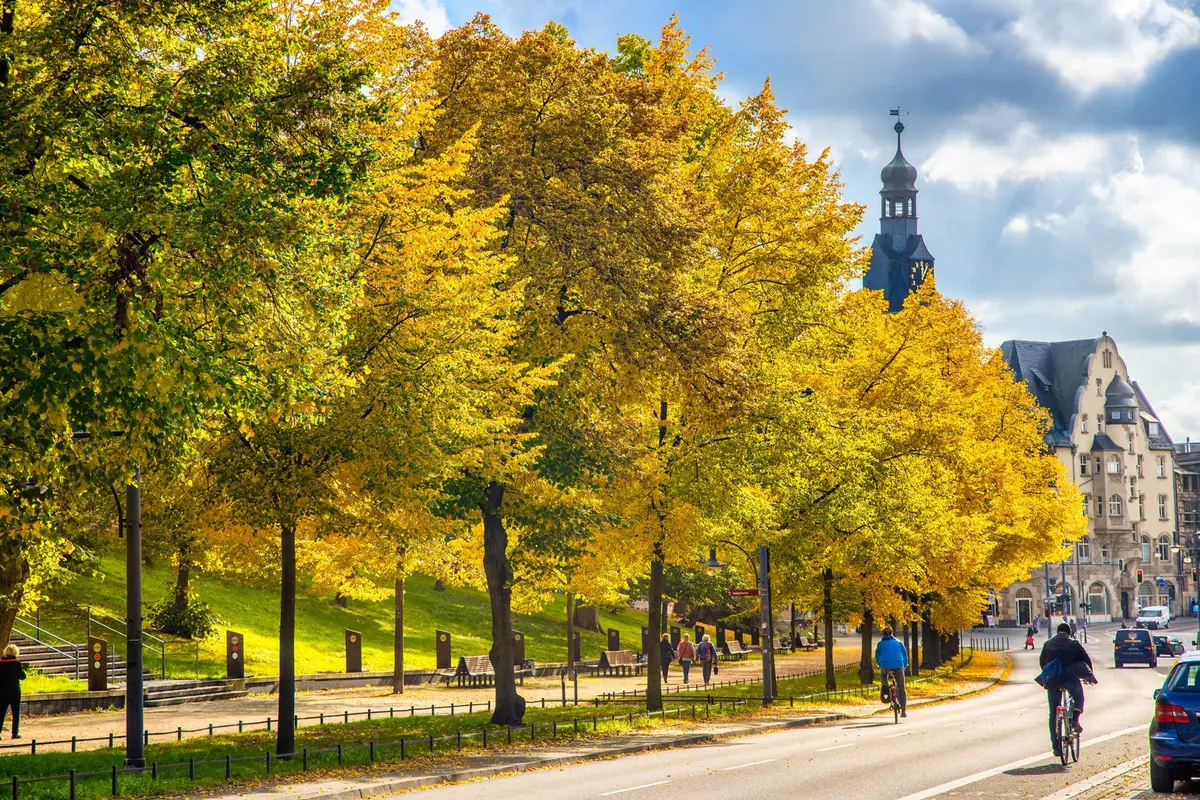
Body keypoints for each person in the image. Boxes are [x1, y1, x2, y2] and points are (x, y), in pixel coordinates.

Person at [1039, 622, 1096, 757]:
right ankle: (1074, 719)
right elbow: (1086, 660)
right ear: (1069, 633)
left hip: (1053, 680)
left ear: (1057, 632)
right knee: (1078, 697)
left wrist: (1050, 675)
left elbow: (1042, 662)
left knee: (1053, 713)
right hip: (1070, 678)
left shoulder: (1048, 644)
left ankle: (1056, 747)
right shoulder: (1074, 644)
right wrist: (1088, 676)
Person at [874, 626, 909, 717]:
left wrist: (879, 664)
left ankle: (886, 688)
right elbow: (904, 655)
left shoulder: (880, 643)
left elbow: (877, 656)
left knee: (883, 676)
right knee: (901, 687)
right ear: (892, 633)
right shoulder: (899, 642)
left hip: (885, 665)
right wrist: (905, 665)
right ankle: (904, 711)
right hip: (899, 665)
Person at [0, 644, 25, 739]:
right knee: (16, 712)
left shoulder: (0, 664)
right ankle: (15, 733)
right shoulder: (17, 664)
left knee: (1, 713)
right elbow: (22, 677)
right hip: (14, 691)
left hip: (2, 691)